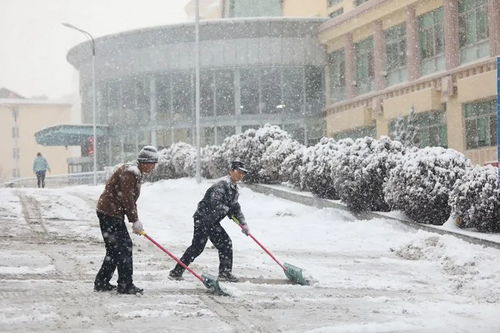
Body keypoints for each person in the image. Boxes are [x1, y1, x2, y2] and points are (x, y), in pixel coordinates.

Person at [169, 161, 250, 282]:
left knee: (225, 244)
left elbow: (235, 207)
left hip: (212, 221)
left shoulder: (234, 189)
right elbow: (215, 203)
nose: (241, 175)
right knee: (197, 247)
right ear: (231, 171)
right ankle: (176, 271)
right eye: (239, 172)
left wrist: (243, 223)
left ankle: (225, 273)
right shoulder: (222, 185)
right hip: (203, 219)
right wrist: (227, 210)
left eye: (243, 173)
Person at [94, 145, 158, 294]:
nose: (154, 167)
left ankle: (102, 281)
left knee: (114, 250)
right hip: (110, 212)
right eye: (153, 163)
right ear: (146, 162)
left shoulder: (134, 171)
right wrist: (134, 220)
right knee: (124, 247)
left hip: (109, 211)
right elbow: (127, 198)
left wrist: (134, 219)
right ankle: (125, 284)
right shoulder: (131, 172)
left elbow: (129, 199)